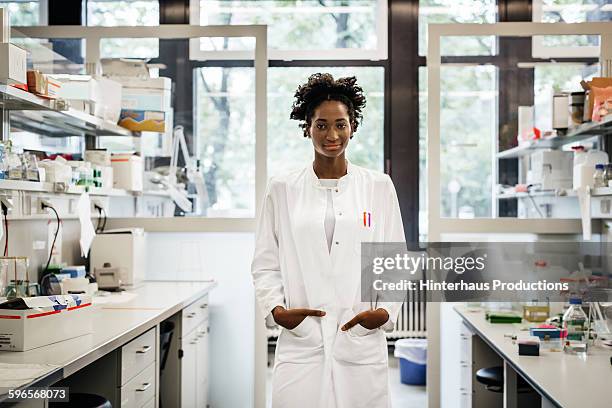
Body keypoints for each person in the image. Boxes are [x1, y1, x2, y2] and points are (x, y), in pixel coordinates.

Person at [251, 73, 405, 408]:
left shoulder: (378, 186)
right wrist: (277, 311)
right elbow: (265, 261)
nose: (332, 135)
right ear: (307, 127)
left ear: (353, 126)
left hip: (359, 339)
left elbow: (393, 261)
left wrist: (383, 313)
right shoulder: (283, 188)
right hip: (302, 340)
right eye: (321, 125)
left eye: (341, 124)